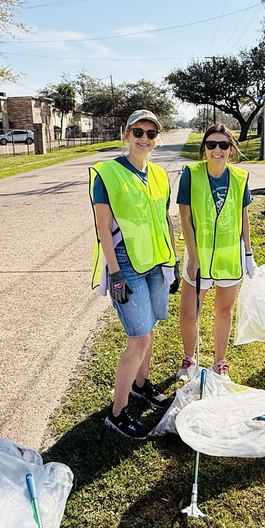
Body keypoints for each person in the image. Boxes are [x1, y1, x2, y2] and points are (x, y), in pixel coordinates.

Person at [90, 110, 178, 439]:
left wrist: (172, 260)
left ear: (157, 139)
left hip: (156, 262)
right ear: (126, 134)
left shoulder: (158, 174)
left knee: (150, 328)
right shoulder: (108, 174)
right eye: (138, 131)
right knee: (138, 338)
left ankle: (141, 385)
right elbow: (102, 228)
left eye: (151, 133)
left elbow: (165, 220)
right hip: (125, 264)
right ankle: (118, 411)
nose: (144, 138)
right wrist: (114, 274)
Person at [177, 124, 255, 381]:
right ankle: (190, 358)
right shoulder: (191, 174)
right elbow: (185, 218)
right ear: (204, 149)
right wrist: (193, 256)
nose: (217, 150)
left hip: (228, 257)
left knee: (224, 310)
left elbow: (243, 216)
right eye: (211, 145)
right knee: (190, 311)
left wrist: (248, 254)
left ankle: (220, 362)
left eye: (223, 145)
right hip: (198, 256)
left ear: (231, 149)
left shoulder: (240, 177)